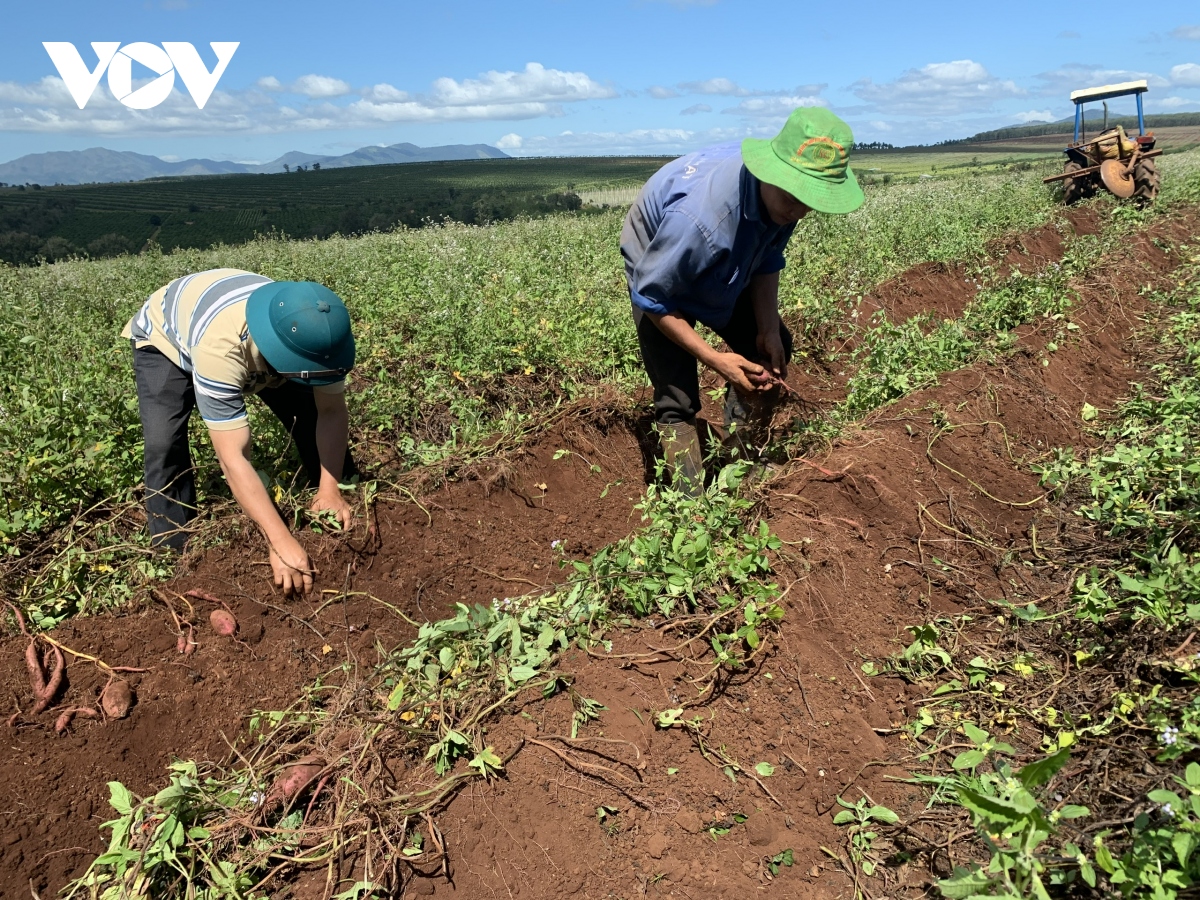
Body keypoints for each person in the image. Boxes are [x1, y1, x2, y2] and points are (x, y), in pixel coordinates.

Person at [620, 107, 865, 489]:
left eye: (809, 201)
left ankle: (739, 460)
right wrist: (717, 361)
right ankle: (690, 505)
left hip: (718, 250)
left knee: (771, 350)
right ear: (770, 174)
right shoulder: (699, 222)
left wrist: (767, 326)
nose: (799, 211)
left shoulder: (781, 201)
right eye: (793, 198)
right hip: (661, 260)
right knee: (677, 396)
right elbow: (655, 297)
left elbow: (767, 255)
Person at [123, 269, 357, 596]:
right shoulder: (220, 350)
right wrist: (280, 541)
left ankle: (338, 493)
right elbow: (233, 457)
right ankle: (172, 557)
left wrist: (330, 491)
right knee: (165, 444)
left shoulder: (317, 337)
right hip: (167, 335)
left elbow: (330, 411)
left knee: (309, 408)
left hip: (255, 331)